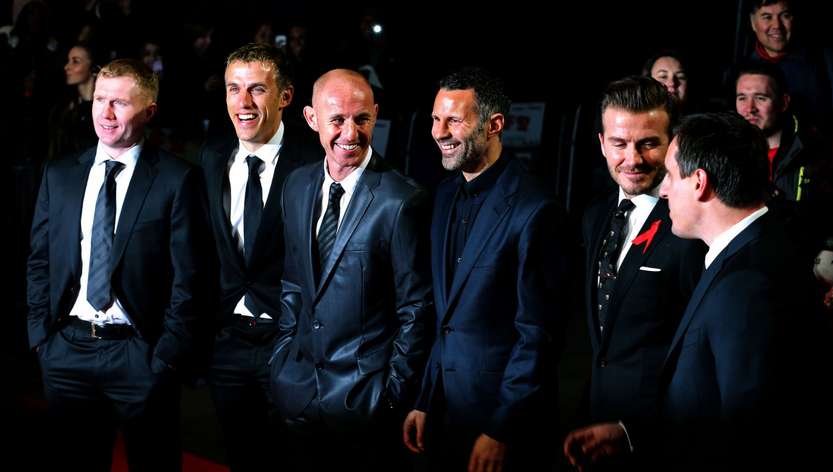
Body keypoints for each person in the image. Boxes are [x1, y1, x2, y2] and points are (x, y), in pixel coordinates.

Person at [567, 112, 830, 469]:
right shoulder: (753, 250)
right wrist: (632, 435)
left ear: (699, 183)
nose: (662, 191)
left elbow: (747, 435)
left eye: (671, 176)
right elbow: (709, 408)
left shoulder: (746, 287)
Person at [27, 58, 205, 471]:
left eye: (120, 103)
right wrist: (41, 336)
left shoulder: (177, 179)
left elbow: (190, 277)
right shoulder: (60, 175)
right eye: (100, 99)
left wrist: (166, 355)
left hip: (140, 355)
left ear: (149, 112)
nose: (105, 113)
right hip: (66, 351)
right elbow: (40, 260)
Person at [402, 67, 565, 471]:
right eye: (435, 119)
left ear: (494, 125)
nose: (439, 132)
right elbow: (446, 318)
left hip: (502, 427)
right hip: (445, 417)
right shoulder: (442, 196)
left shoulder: (535, 209)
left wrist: (502, 429)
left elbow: (538, 336)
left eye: (454, 120)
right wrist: (425, 399)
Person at [269, 69, 433, 471]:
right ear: (312, 119)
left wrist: (391, 396)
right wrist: (282, 362)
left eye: (361, 119)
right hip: (298, 394)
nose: (351, 133)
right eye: (337, 120)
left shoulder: (402, 200)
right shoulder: (296, 186)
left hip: (366, 406)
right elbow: (293, 284)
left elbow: (416, 309)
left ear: (375, 114)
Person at [563, 76, 705, 470]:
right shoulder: (595, 216)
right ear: (601, 143)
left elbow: (698, 355)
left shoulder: (692, 227)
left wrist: (637, 432)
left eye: (648, 143)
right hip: (594, 428)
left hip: (663, 441)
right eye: (619, 144)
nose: (633, 159)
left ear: (673, 142)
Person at [199, 43, 319, 472]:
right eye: (233, 89)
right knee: (241, 457)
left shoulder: (314, 163)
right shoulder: (211, 157)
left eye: (257, 89)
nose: (243, 102)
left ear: (285, 96)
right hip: (226, 343)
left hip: (289, 343)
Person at [734, 61, 833, 305]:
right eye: (742, 98)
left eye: (760, 98)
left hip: (803, 277)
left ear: (783, 102)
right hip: (744, 276)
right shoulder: (724, 154)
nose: (749, 108)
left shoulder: (816, 154)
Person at [746, 0, 833, 134]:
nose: (777, 25)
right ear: (753, 23)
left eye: (785, 15)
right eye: (767, 17)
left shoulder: (827, 61)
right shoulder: (739, 71)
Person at [47, 42, 102, 162]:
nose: (67, 67)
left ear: (93, 68)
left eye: (76, 61)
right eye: (68, 61)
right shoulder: (63, 109)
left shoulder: (104, 109)